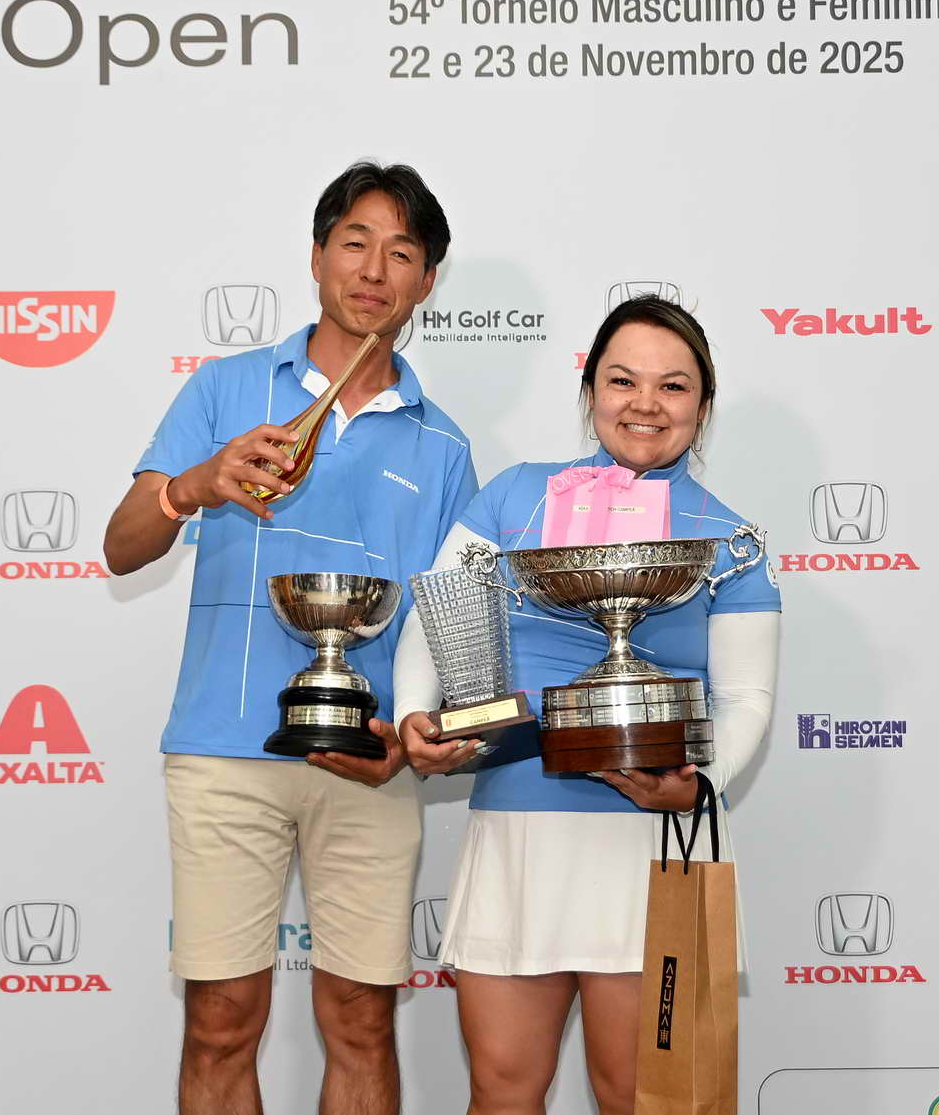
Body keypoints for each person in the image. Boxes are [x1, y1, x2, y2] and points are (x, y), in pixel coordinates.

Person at [104, 161, 477, 1115]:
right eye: (355, 242)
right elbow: (121, 546)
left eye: (402, 253)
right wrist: (196, 484)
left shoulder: (444, 445)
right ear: (316, 257)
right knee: (221, 1020)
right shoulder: (228, 389)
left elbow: (456, 627)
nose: (374, 270)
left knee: (360, 1020)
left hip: (367, 762)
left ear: (427, 282)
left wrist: (409, 741)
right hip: (224, 751)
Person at [394, 296, 780, 1115]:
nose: (646, 403)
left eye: (673, 385)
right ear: (590, 391)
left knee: (650, 1099)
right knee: (501, 1090)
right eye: (623, 380)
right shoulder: (514, 498)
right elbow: (437, 617)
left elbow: (746, 696)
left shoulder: (729, 536)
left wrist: (699, 783)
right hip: (520, 831)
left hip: (657, 840)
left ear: (703, 405)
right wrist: (415, 715)